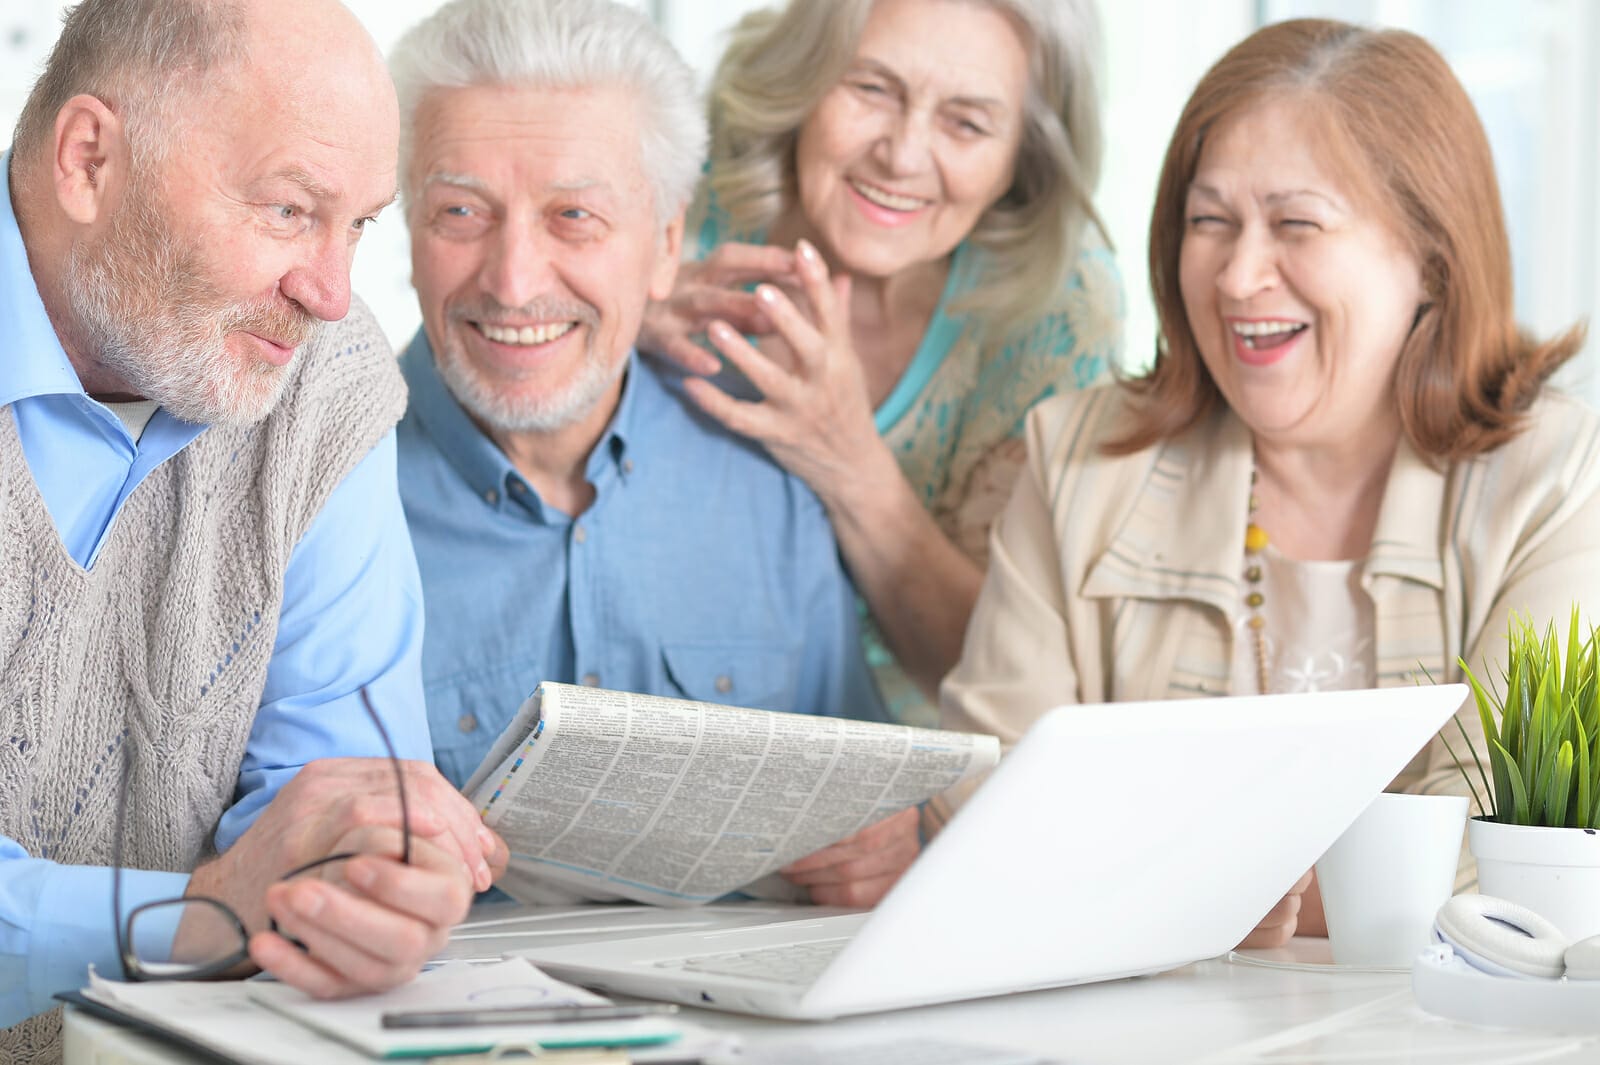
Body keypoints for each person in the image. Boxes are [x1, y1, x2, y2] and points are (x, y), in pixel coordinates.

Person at [935, 18, 1600, 949]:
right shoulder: (1077, 454)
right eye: (1210, 222)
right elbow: (985, 797)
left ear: (1432, 261)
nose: (1240, 275)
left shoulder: (1557, 477)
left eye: (1297, 224)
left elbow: (1504, 851)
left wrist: (1164, 884)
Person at [0, 1, 505, 1058]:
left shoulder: (317, 376)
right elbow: (245, 907)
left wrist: (364, 892)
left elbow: (341, 806)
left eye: (361, 223)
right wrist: (206, 914)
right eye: (288, 210)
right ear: (89, 159)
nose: (328, 293)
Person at [389, 0, 913, 908]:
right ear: (405, 229)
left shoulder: (769, 473)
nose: (514, 283)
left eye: (574, 217)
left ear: (667, 245)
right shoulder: (323, 491)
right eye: (462, 211)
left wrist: (882, 843)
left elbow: (859, 798)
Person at [641, 0, 1123, 727]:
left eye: (966, 122)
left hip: (915, 775)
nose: (901, 154)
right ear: (805, 76)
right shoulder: (675, 186)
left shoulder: (1058, 306)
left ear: (1022, 157)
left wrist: (849, 462)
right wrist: (606, 310)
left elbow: (1010, 681)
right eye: (870, 88)